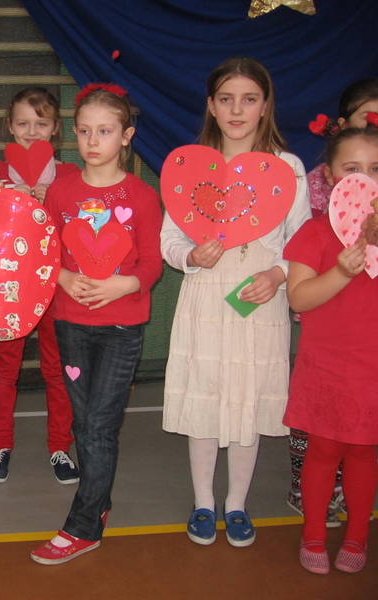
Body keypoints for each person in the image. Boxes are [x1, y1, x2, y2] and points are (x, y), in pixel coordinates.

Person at [161, 57, 311, 548]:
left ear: (265, 105)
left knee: (248, 400)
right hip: (206, 295)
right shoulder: (191, 166)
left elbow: (302, 240)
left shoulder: (289, 168)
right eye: (226, 99)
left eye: (249, 99)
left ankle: (237, 504)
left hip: (259, 299)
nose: (237, 110)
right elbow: (169, 240)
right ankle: (204, 502)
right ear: (210, 105)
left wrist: (278, 274)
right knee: (205, 395)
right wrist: (190, 256)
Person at [29, 83, 163, 564]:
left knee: (99, 427)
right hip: (71, 324)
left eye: (104, 131)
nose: (92, 140)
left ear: (125, 136)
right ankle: (99, 502)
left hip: (121, 328)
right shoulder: (61, 191)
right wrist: (64, 277)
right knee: (85, 423)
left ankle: (83, 526)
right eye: (84, 131)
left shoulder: (141, 197)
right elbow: (45, 249)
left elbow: (151, 263)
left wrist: (122, 285)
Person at [284, 127, 378, 575]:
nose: (366, 178)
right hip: (325, 366)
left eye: (376, 169)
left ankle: (357, 533)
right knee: (322, 450)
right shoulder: (315, 233)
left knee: (363, 451)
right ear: (330, 176)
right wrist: (341, 271)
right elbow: (299, 298)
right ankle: (314, 534)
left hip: (372, 366)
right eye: (353, 168)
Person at [0, 88, 80, 484]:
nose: (32, 131)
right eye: (23, 123)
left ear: (55, 128)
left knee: (58, 369)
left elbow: (85, 237)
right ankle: (0, 444)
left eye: (41, 123)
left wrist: (53, 202)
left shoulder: (71, 177)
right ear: (10, 126)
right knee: (5, 367)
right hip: (10, 287)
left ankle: (60, 446)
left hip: (58, 286)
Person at [307, 78, 378, 217]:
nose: (375, 124)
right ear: (344, 124)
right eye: (369, 117)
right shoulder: (318, 181)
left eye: (375, 168)